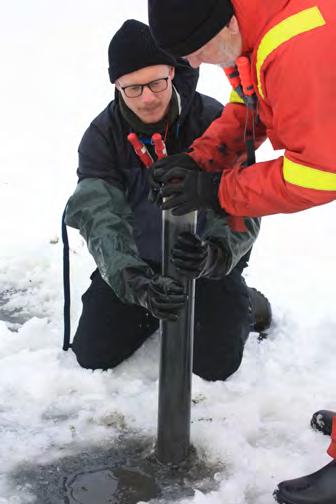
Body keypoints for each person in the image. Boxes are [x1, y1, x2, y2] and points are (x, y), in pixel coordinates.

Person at [147, 0, 336, 502]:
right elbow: (250, 109)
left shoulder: (298, 47)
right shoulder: (246, 31)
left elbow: (316, 174)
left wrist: (218, 193)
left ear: (223, 25)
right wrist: (200, 159)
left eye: (194, 52)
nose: (190, 66)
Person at [64, 19, 270, 384]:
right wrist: (135, 283)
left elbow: (246, 203)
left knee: (215, 366)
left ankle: (248, 302)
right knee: (94, 354)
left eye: (157, 82)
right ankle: (149, 309)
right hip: (139, 263)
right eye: (133, 88)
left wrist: (216, 254)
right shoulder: (101, 138)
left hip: (204, 264)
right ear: (117, 86)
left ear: (172, 74)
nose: (148, 97)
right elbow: (101, 220)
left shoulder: (215, 120)